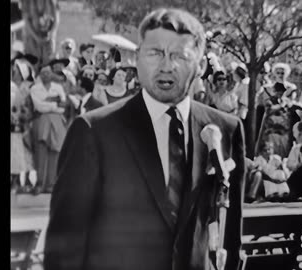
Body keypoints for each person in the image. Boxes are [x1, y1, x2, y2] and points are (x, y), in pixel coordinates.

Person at [44, 8, 245, 270]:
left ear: (201, 66)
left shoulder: (225, 130)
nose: (166, 66)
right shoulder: (94, 131)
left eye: (179, 56)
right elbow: (65, 247)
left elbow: (231, 237)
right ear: (137, 58)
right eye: (155, 54)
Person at [30, 66, 67, 193]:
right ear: (39, 75)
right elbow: (38, 106)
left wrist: (47, 102)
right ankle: (39, 184)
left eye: (48, 73)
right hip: (42, 120)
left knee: (55, 152)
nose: (45, 75)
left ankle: (51, 184)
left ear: (51, 74)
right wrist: (54, 102)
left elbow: (63, 106)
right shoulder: (34, 89)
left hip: (57, 120)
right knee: (41, 152)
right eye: (43, 73)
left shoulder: (58, 88)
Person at [255, 63, 302, 158]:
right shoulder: (267, 88)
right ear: (274, 73)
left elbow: (291, 103)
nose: (280, 74)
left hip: (284, 123)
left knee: (284, 147)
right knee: (269, 147)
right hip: (270, 124)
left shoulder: (291, 88)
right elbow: (261, 104)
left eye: (282, 72)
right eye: (278, 72)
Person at [11, 54, 37, 194]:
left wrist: (21, 116)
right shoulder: (16, 87)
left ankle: (26, 181)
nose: (14, 73)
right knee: (18, 154)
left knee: (27, 155)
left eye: (16, 71)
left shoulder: (26, 88)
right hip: (17, 126)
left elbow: (27, 108)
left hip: (26, 125)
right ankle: (18, 181)